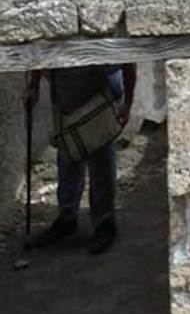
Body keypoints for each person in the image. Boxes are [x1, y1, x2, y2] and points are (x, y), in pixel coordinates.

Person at [25, 63, 136, 255]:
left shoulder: (96, 42)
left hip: (96, 102)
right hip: (66, 103)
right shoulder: (52, 43)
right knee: (68, 159)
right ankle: (67, 219)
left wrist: (127, 104)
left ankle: (104, 225)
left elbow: (128, 63)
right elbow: (38, 56)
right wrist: (33, 87)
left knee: (100, 161)